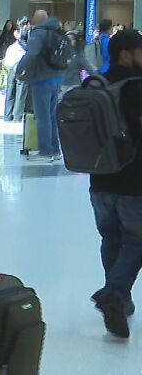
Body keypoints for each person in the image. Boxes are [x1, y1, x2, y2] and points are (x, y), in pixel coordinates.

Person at [89, 29, 142, 338]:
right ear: (126, 54)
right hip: (133, 181)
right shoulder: (135, 86)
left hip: (98, 181)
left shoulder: (95, 84)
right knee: (136, 242)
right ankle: (116, 294)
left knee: (111, 240)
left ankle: (120, 299)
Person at [17, 10, 67, 161]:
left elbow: (32, 54)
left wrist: (19, 69)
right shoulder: (57, 32)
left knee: (42, 117)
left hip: (41, 79)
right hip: (57, 79)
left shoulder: (38, 33)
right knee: (52, 116)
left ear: (34, 21)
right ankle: (55, 150)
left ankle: (45, 151)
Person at [2, 18, 30, 123]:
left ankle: (7, 115)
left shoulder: (15, 32)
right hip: (22, 66)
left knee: (10, 91)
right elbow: (29, 49)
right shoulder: (28, 33)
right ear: (27, 24)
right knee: (20, 93)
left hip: (11, 65)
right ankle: (17, 116)